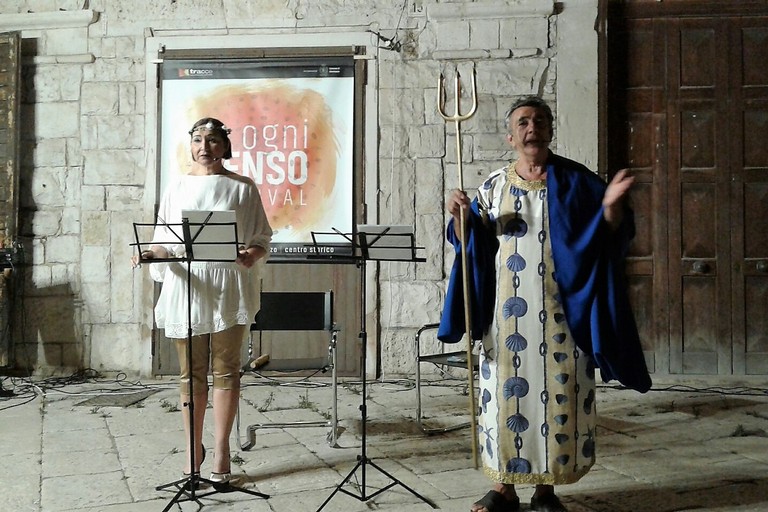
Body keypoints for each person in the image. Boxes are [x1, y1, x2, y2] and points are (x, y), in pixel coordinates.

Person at [440, 97, 651, 512]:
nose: (531, 127)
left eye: (539, 120)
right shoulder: (493, 186)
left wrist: (610, 208)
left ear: (551, 130)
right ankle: (503, 488)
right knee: (504, 400)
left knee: (559, 398)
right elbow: (471, 246)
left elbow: (609, 234)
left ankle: (546, 490)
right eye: (522, 122)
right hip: (505, 321)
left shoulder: (579, 182)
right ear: (511, 135)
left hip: (561, 317)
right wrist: (460, 216)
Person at [131, 117, 272, 485]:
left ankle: (222, 449)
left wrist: (251, 254)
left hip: (228, 284)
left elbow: (261, 236)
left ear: (225, 146)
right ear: (190, 145)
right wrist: (149, 255)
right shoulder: (176, 186)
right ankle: (193, 449)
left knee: (226, 369)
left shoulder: (243, 187)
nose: (204, 147)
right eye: (197, 139)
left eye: (212, 140)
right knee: (189, 372)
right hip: (187, 284)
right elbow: (164, 241)